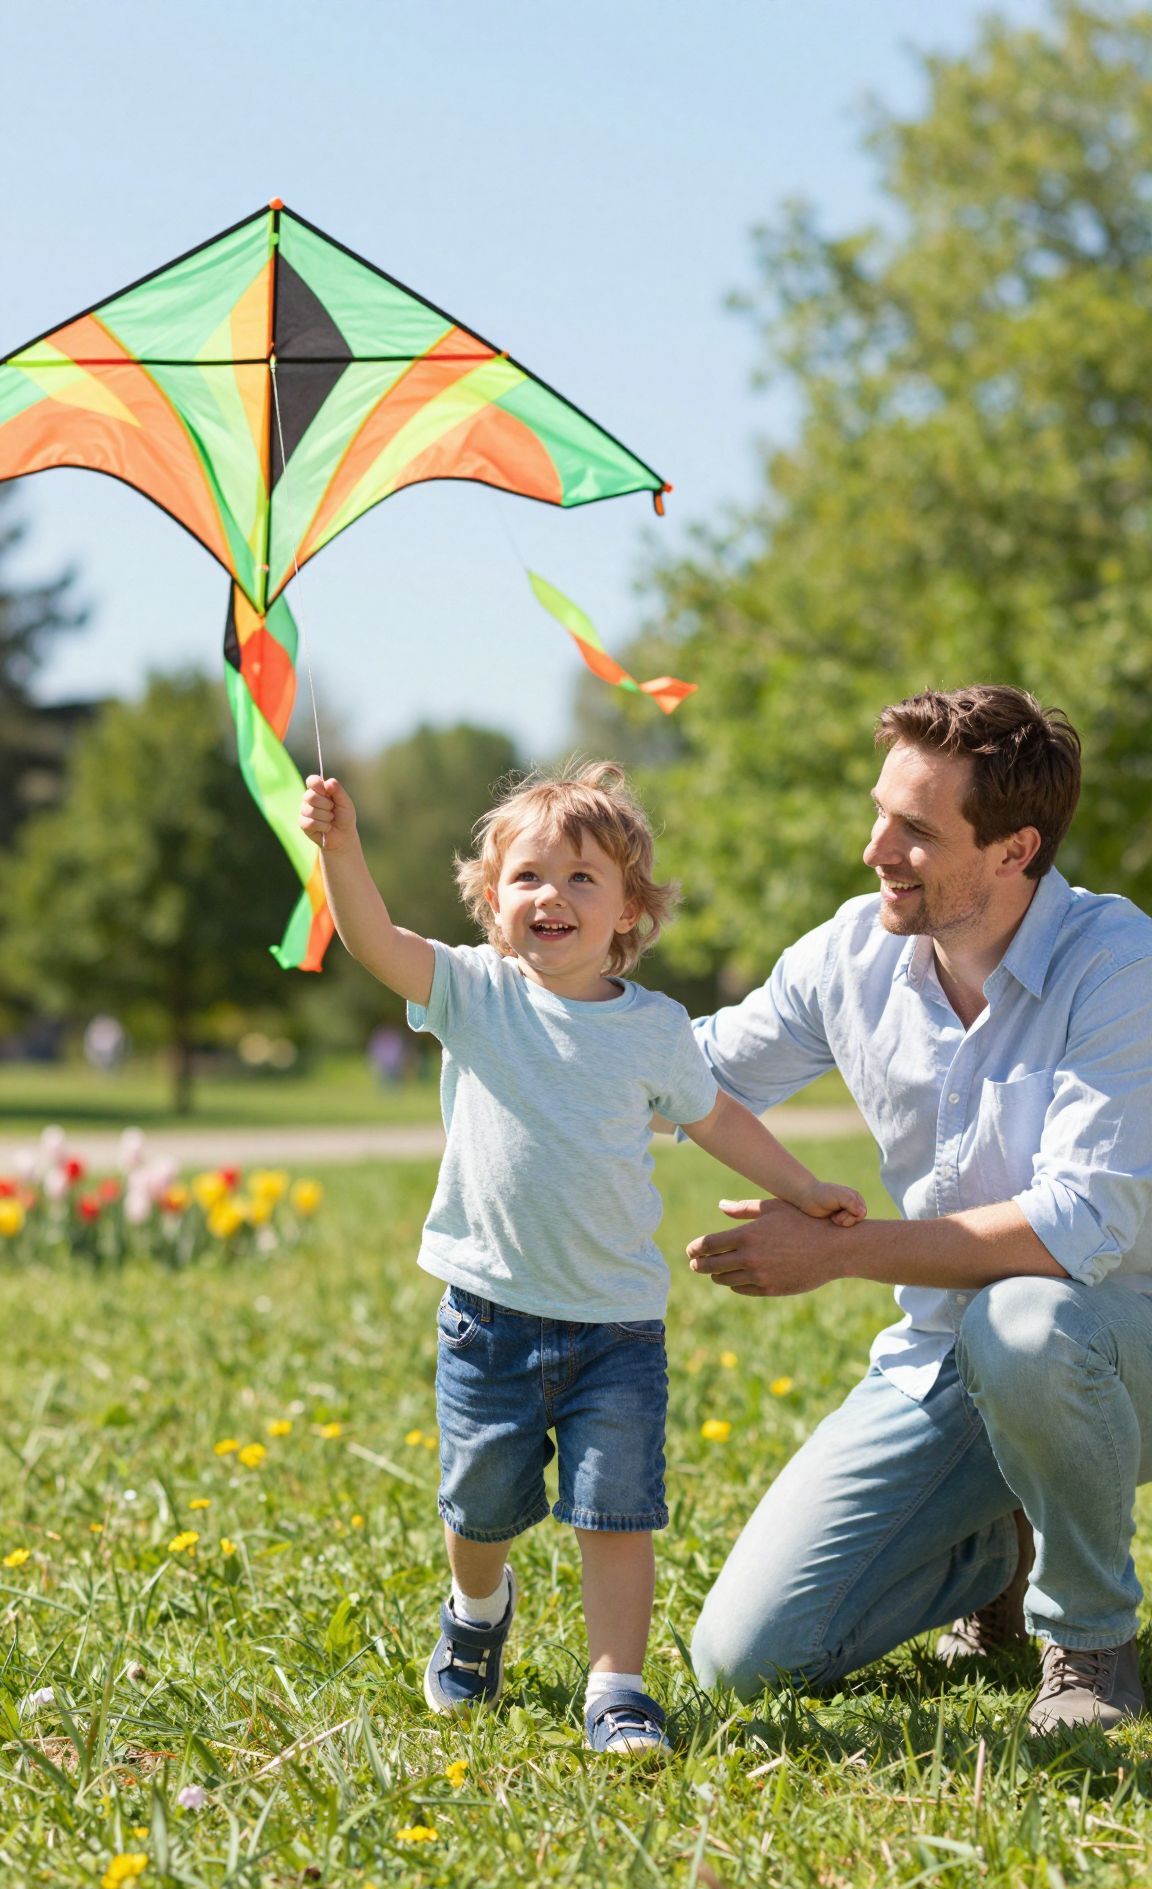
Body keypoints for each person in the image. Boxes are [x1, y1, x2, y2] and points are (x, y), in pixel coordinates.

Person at [299, 760, 865, 1754]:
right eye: (526, 876)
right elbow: (373, 940)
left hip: (616, 1327)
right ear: (491, 900)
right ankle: (476, 1614)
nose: (550, 895)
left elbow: (717, 1117)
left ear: (629, 910)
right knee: (480, 1507)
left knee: (617, 1511)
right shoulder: (473, 992)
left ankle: (618, 1688)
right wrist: (341, 847)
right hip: (490, 1316)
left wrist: (803, 1185)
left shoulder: (653, 1029)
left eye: (581, 878)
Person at [685, 686, 1152, 1733]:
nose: (875, 850)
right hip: (950, 1359)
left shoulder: (1120, 966)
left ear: (1015, 849)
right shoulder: (851, 956)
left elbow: (1074, 1230)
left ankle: (1090, 1643)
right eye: (879, 813)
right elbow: (685, 1073)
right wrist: (533, 1010)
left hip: (1126, 1342)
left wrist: (836, 1252)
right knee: (742, 1663)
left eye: (916, 831)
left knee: (1025, 1318)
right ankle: (989, 1551)